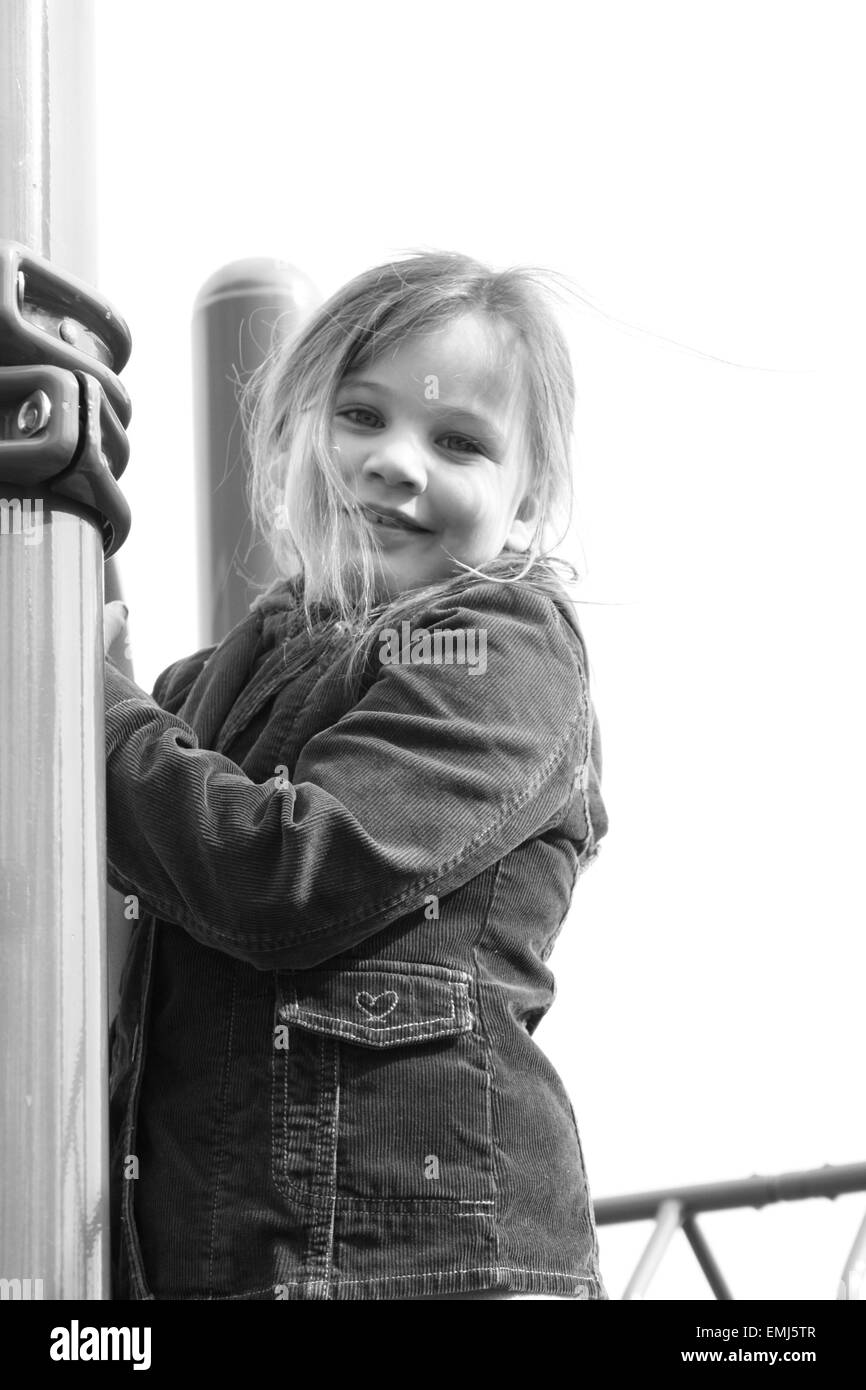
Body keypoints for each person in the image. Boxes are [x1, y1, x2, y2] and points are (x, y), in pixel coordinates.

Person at [104, 249, 609, 1301]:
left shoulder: (490, 647)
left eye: (458, 441)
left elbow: (284, 872)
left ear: (525, 503)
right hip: (219, 1262)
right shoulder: (206, 682)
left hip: (422, 1268)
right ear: (290, 437)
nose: (395, 462)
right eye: (359, 417)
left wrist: (91, 712)